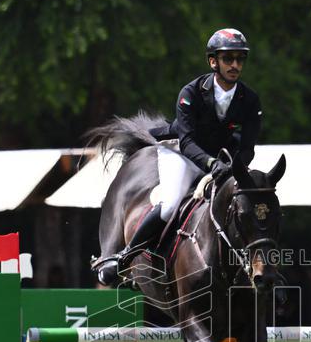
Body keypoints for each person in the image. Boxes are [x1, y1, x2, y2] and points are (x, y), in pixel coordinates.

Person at [97, 28, 262, 285]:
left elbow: (249, 147)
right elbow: (187, 142)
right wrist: (210, 164)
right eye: (228, 58)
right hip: (182, 154)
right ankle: (125, 258)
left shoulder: (250, 100)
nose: (235, 65)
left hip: (223, 163)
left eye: (240, 59)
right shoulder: (191, 93)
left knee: (249, 205)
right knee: (171, 204)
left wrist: (233, 168)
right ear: (213, 61)